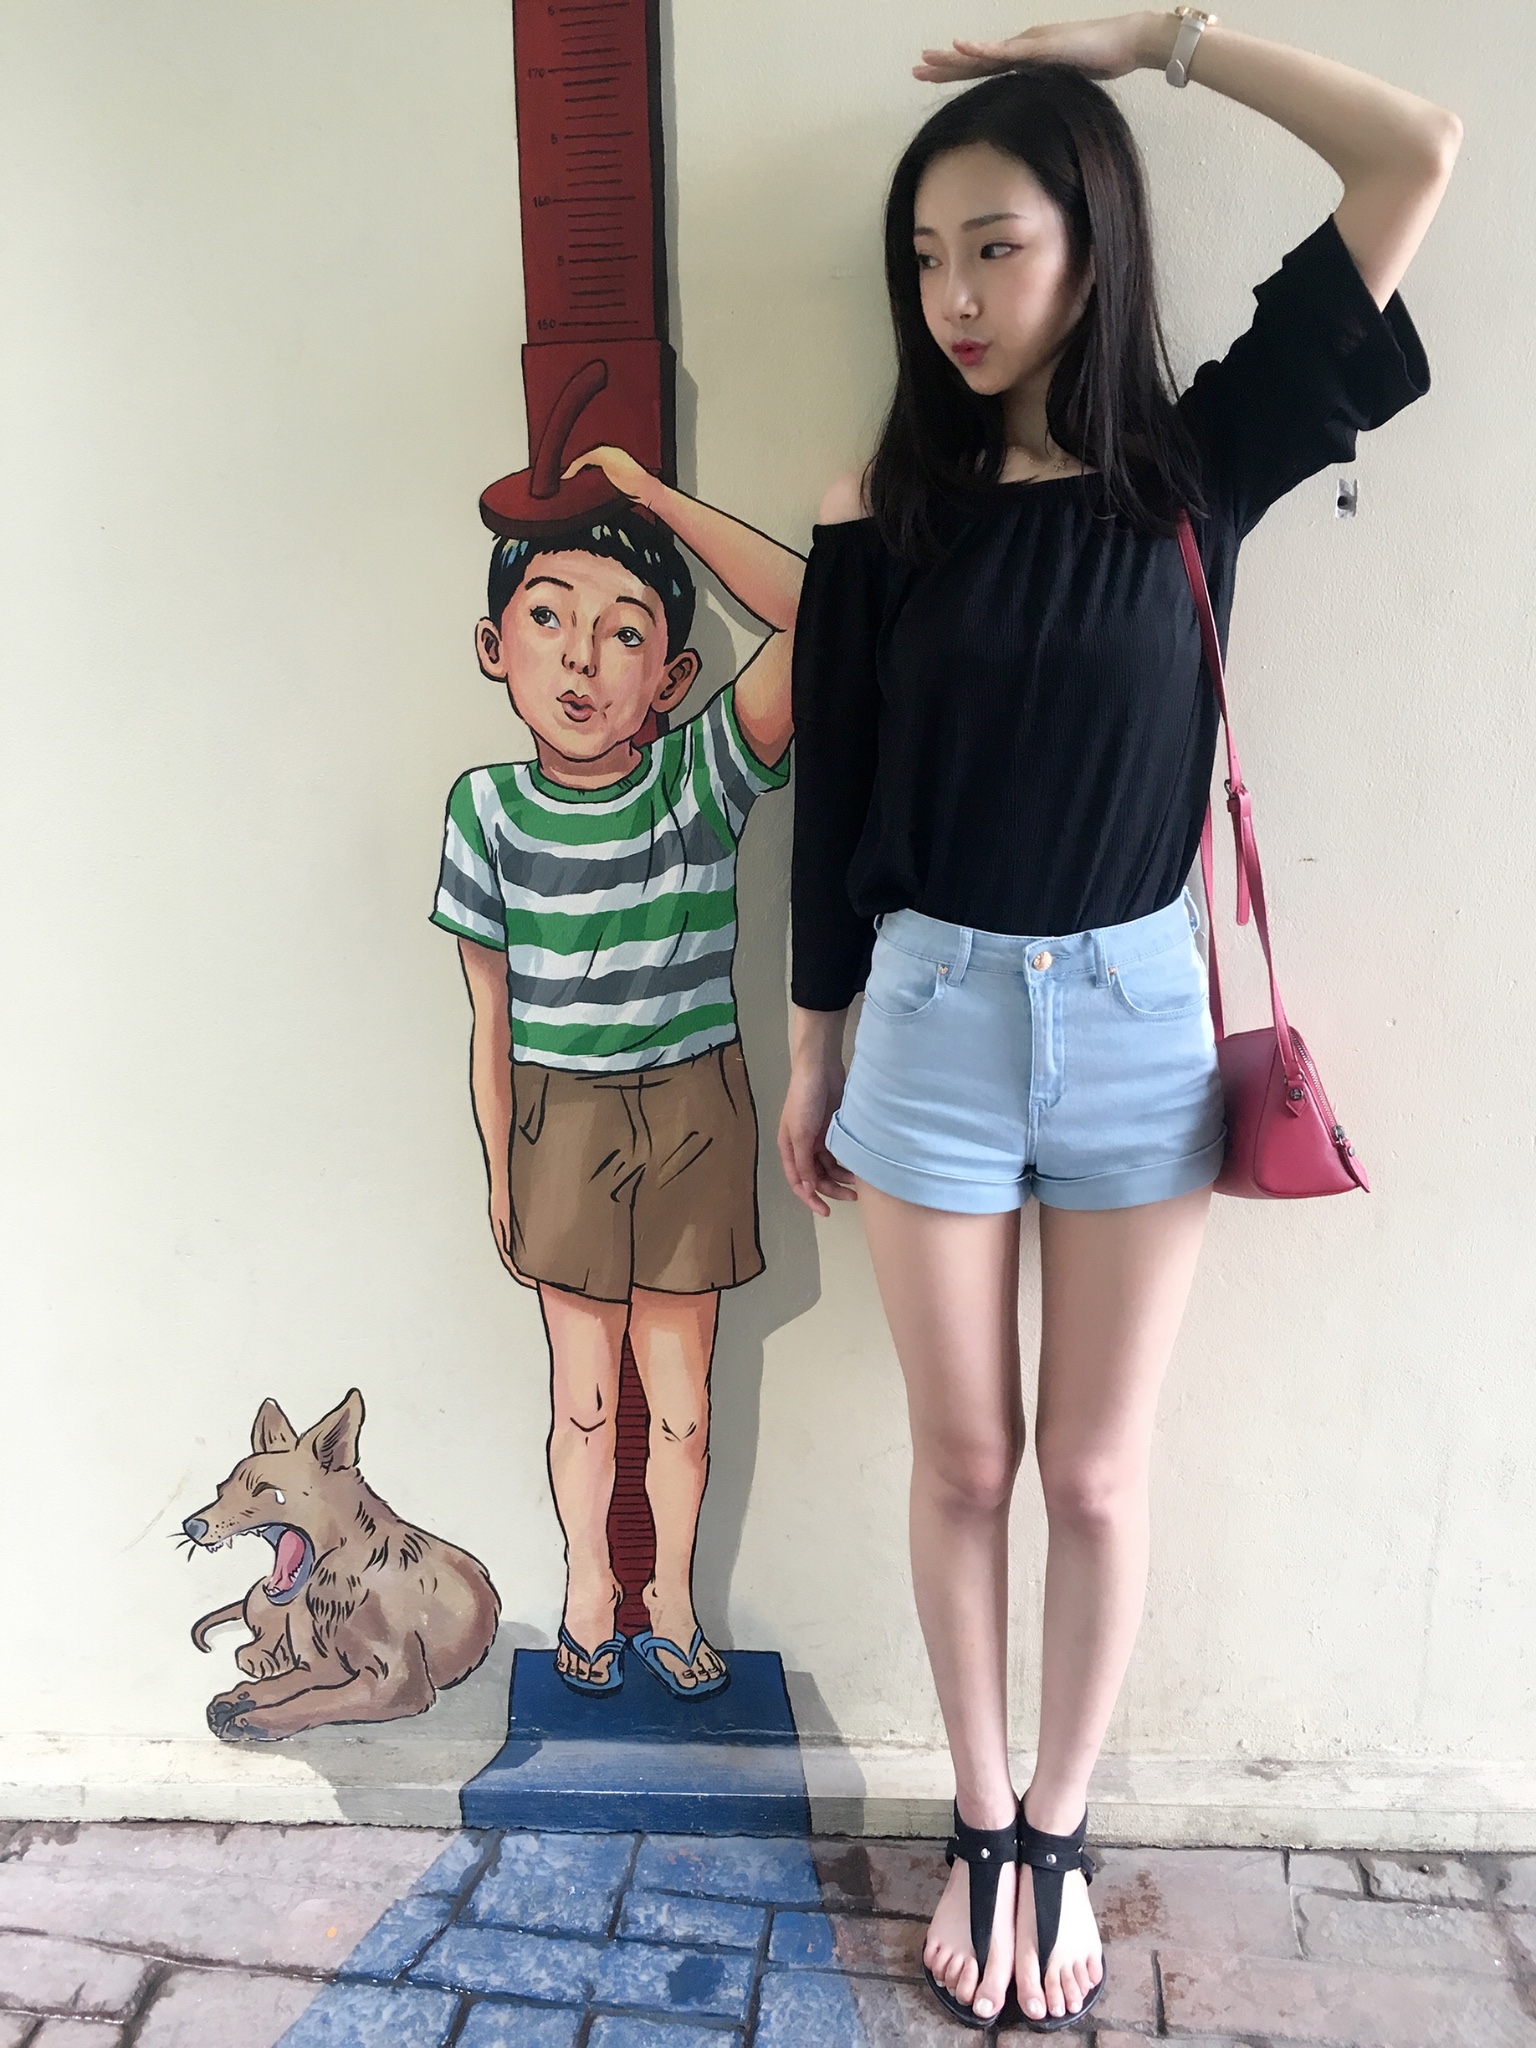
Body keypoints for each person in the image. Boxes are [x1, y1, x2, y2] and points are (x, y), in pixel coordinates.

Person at [778, 13, 1458, 2031]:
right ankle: (980, 1819)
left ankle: (1060, 1832)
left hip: (1143, 1017)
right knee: (965, 1460)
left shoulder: (1199, 462)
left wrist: (1154, 38)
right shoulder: (881, 501)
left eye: (995, 245)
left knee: (1089, 1469)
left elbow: (1413, 150)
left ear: (1089, 246)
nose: (955, 296)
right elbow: (836, 797)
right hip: (925, 1014)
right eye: (926, 258)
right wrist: (814, 1049)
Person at [435, 445, 796, 1701]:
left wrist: (650, 495)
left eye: (624, 631)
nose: (582, 661)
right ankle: (589, 1593)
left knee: (681, 1404)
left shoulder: (703, 773)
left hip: (695, 1105)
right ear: (496, 646)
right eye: (548, 618)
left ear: (673, 675)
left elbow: (821, 610)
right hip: (560, 1115)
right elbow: (489, 1014)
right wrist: (501, 1168)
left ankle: (673, 1602)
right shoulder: (485, 810)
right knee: (585, 1401)